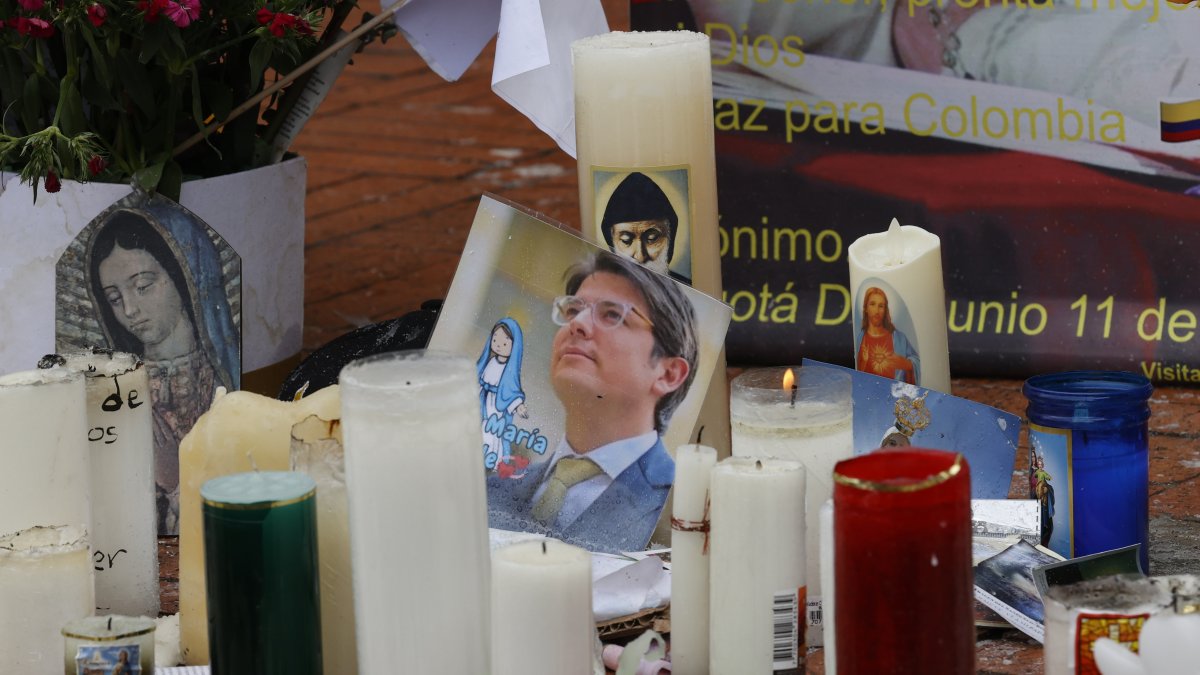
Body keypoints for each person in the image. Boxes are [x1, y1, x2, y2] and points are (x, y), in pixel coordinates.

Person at [489, 251, 699, 553]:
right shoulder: (493, 488)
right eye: (574, 310)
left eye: (612, 314)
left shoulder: (686, 506)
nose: (578, 324)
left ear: (668, 374)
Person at [87, 208, 239, 534]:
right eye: (114, 298)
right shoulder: (118, 387)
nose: (130, 310)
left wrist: (175, 479)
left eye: (142, 286)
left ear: (184, 277)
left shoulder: (223, 381)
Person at [600, 172, 688, 283]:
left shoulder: (690, 289)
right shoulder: (602, 288)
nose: (640, 256)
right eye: (626, 241)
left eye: (652, 239)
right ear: (612, 242)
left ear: (670, 239)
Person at [476, 317, 529, 470]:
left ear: (514, 345)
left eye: (504, 343)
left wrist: (518, 406)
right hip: (483, 400)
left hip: (497, 406)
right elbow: (480, 379)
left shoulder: (509, 370)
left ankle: (490, 459)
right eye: (495, 340)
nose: (498, 345)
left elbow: (512, 391)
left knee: (491, 432)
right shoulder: (490, 361)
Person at [855, 286, 919, 385]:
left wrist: (907, 364)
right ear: (866, 308)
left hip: (895, 393)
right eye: (872, 304)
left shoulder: (899, 339)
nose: (877, 311)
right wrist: (863, 362)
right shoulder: (861, 338)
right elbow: (859, 376)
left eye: (881, 306)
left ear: (885, 310)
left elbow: (916, 362)